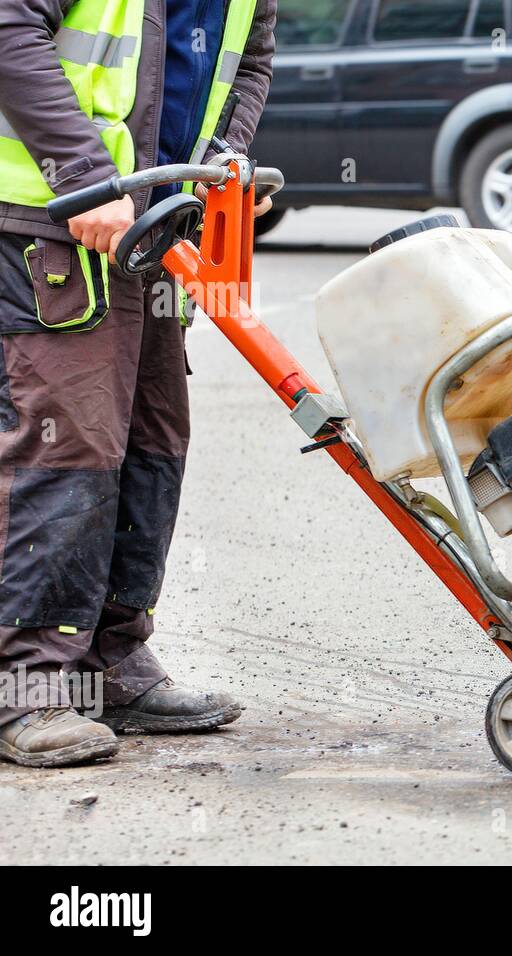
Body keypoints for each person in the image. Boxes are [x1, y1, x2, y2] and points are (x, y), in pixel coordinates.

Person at [0, 0, 277, 768]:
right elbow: (9, 29)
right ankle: (24, 683)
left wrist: (225, 157)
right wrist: (86, 177)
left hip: (158, 225)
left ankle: (110, 665)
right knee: (67, 442)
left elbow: (248, 61)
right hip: (50, 220)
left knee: (152, 441)